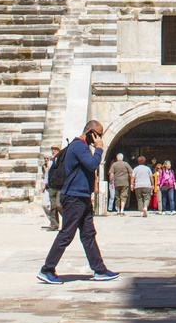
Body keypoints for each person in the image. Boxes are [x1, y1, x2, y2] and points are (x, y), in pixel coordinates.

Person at [37, 120, 118, 283]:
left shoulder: (81, 146)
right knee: (67, 233)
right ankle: (47, 269)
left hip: (81, 196)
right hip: (74, 196)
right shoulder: (79, 146)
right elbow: (92, 164)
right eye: (98, 135)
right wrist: (100, 148)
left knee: (88, 234)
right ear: (90, 132)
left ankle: (99, 270)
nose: (98, 138)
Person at [42, 144, 65, 230]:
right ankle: (54, 224)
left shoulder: (63, 161)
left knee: (59, 205)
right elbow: (47, 174)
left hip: (60, 186)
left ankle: (67, 221)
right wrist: (44, 184)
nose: (53, 151)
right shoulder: (51, 161)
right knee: (53, 206)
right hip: (52, 186)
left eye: (55, 149)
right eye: (53, 149)